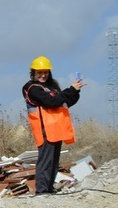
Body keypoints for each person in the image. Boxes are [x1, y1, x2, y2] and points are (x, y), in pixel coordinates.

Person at [22, 56, 84, 195]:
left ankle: (49, 189)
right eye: (40, 72)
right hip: (45, 130)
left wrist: (75, 91)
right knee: (45, 161)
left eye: (45, 72)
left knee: (54, 162)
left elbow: (64, 101)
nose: (43, 75)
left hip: (57, 130)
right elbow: (52, 101)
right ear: (33, 73)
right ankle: (42, 191)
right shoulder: (32, 88)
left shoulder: (51, 87)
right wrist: (70, 89)